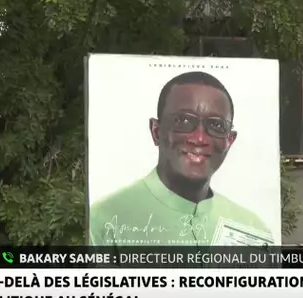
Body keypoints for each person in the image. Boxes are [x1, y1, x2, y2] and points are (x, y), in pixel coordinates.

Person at [89, 71, 274, 246]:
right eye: (183, 121)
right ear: (156, 131)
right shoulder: (104, 221)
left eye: (216, 125)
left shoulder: (253, 230)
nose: (200, 138)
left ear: (229, 141)